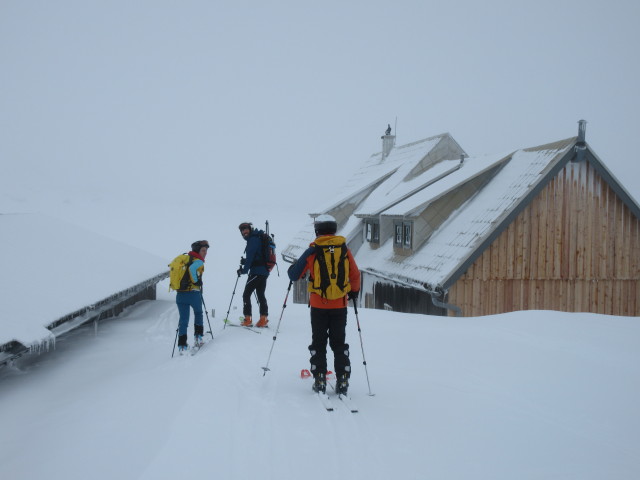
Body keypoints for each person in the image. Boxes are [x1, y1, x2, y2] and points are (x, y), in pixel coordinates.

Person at [287, 214, 360, 395]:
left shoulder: (313, 250)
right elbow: (355, 274)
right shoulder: (344, 249)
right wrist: (353, 293)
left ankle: (319, 379)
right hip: (340, 306)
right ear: (334, 229)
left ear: (317, 230)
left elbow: (294, 275)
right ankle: (343, 379)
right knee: (339, 343)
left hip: (319, 306)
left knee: (318, 343)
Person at [176, 240, 209, 352]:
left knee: (183, 320)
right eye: (203, 250)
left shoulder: (184, 260)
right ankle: (198, 338)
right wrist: (196, 281)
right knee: (198, 313)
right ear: (197, 251)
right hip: (193, 294)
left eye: (206, 250)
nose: (205, 253)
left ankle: (182, 346)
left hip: (180, 295)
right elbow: (192, 269)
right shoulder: (198, 261)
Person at [237, 222, 269, 328]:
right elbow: (256, 255)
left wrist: (243, 270)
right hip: (264, 271)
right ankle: (263, 319)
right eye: (242, 231)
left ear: (250, 229)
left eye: (246, 230)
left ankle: (247, 319)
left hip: (256, 272)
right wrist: (246, 262)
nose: (244, 232)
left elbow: (251, 257)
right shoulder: (257, 238)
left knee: (246, 294)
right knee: (260, 294)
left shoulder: (253, 239)